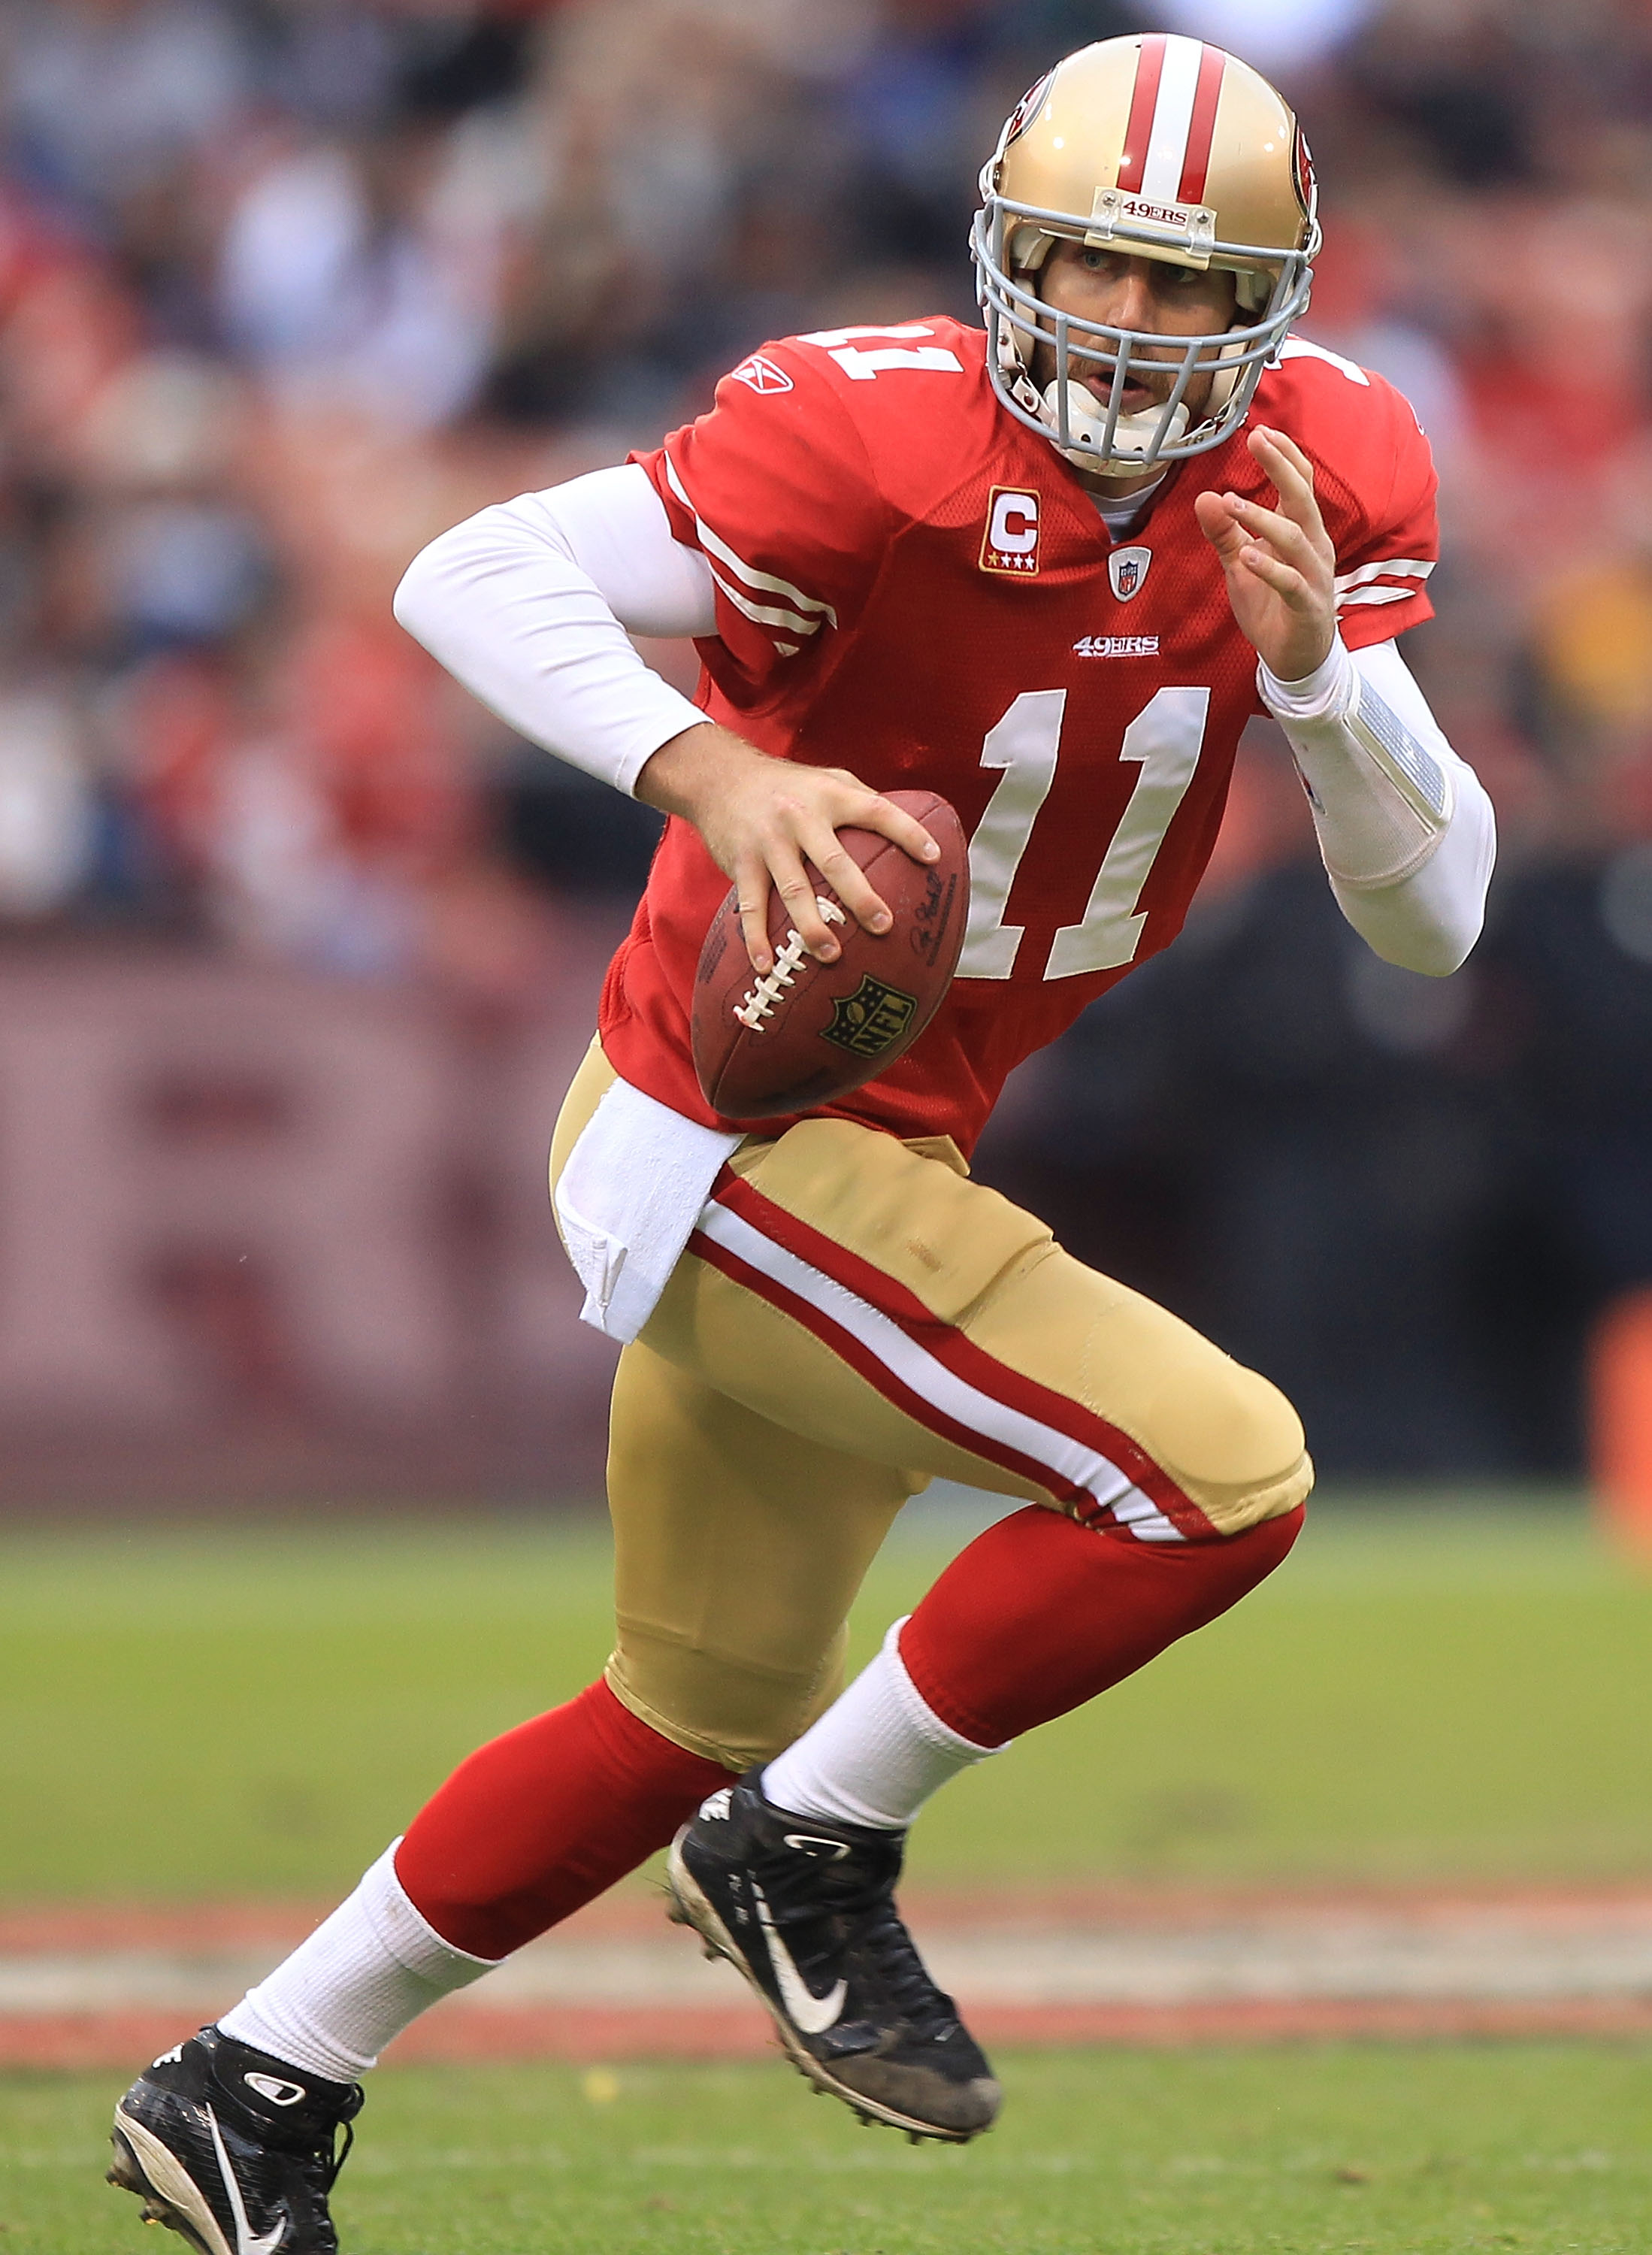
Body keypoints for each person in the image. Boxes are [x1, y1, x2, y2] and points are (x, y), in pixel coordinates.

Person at [108, 34, 1495, 2253]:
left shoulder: (1326, 468)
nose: (1130, 328)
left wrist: (1326, 690)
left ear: (1278, 302)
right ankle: (804, 1846)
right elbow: (469, 574)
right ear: (1003, 260)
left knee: (682, 1706)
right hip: (724, 1130)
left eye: (1182, 286)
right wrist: (721, 781)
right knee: (1217, 1476)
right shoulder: (875, 433)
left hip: (892, 1157)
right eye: (1085, 271)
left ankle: (253, 2076)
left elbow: (1436, 924)